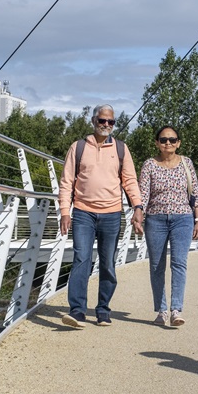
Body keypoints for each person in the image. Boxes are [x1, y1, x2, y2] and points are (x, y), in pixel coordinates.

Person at [58, 105, 144, 328]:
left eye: (110, 122)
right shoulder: (77, 147)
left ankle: (103, 309)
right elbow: (67, 182)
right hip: (83, 212)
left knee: (107, 263)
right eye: (102, 120)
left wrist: (137, 207)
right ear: (93, 120)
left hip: (112, 214)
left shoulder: (121, 149)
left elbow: (130, 181)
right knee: (81, 260)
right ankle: (77, 311)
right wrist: (65, 212)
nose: (106, 125)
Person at [138, 126, 198, 327]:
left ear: (178, 143)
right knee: (157, 266)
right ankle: (161, 310)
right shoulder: (149, 164)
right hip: (155, 220)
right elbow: (143, 194)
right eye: (164, 140)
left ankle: (176, 310)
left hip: (183, 218)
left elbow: (195, 194)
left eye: (172, 140)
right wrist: (138, 216)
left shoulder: (186, 163)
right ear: (157, 142)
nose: (168, 143)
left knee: (179, 264)